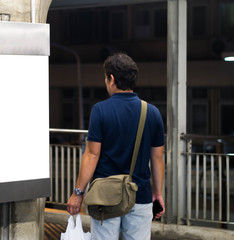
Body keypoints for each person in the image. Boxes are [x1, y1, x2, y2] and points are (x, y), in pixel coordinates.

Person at [67, 53, 165, 240]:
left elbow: (92, 155)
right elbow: (157, 158)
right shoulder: (152, 113)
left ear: (111, 79)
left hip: (105, 197)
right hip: (140, 195)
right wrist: (158, 193)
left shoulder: (100, 110)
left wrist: (77, 192)